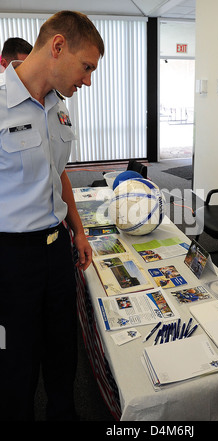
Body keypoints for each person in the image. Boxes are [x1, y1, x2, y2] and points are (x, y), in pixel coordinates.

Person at [0, 11, 104, 421]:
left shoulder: (58, 106)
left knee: (63, 352)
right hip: (12, 257)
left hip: (56, 246)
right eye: (87, 68)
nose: (88, 81)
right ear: (58, 47)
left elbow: (58, 171)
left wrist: (77, 231)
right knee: (16, 364)